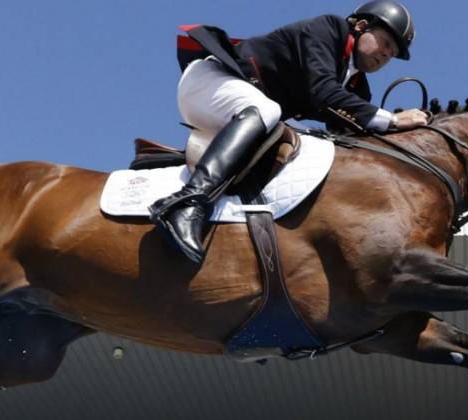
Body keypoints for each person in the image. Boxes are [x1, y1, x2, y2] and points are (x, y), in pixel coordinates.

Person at [151, 2, 424, 264]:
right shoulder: (328, 29)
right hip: (211, 82)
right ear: (362, 26)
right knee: (268, 110)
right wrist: (391, 119)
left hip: (241, 113)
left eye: (392, 54)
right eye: (386, 43)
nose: (386, 55)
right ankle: (187, 204)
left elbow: (349, 140)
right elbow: (323, 91)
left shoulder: (356, 88)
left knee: (305, 145)